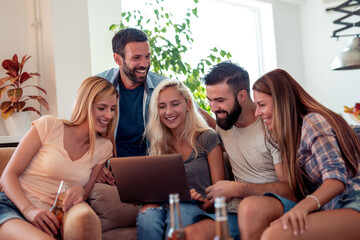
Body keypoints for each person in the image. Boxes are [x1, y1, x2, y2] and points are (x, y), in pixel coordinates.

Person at [241, 68, 360, 240]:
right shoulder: (289, 136)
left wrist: (301, 208)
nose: (257, 113)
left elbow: (336, 179)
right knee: (273, 232)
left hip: (352, 201)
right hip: (330, 207)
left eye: (261, 105)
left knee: (272, 236)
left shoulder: (313, 121)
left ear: (282, 102)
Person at [184, 61, 295, 240]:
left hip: (275, 204)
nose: (214, 108)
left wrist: (238, 188)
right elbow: (194, 114)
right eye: (210, 100)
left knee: (249, 208)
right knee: (191, 234)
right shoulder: (223, 124)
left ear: (242, 95)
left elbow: (290, 190)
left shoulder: (271, 125)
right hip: (237, 208)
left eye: (220, 100)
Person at [0, 76, 118, 239]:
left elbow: (83, 195)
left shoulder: (104, 148)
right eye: (102, 108)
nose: (109, 115)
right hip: (13, 208)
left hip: (50, 219)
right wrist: (29, 210)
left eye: (113, 109)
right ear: (85, 105)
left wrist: (78, 190)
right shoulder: (49, 125)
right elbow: (8, 176)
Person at [97, 28, 216, 185]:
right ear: (118, 59)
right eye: (137, 58)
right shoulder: (99, 85)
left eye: (148, 56)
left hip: (153, 173)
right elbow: (82, 129)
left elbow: (199, 116)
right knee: (100, 196)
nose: (145, 64)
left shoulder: (162, 86)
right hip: (113, 176)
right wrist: (95, 168)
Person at [136, 79, 225, 240]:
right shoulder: (158, 144)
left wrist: (202, 202)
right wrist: (149, 202)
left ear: (188, 105)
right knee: (148, 216)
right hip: (165, 206)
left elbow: (220, 191)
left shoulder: (207, 138)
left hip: (195, 207)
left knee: (180, 212)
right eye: (162, 106)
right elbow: (156, 190)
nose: (168, 112)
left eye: (175, 104)